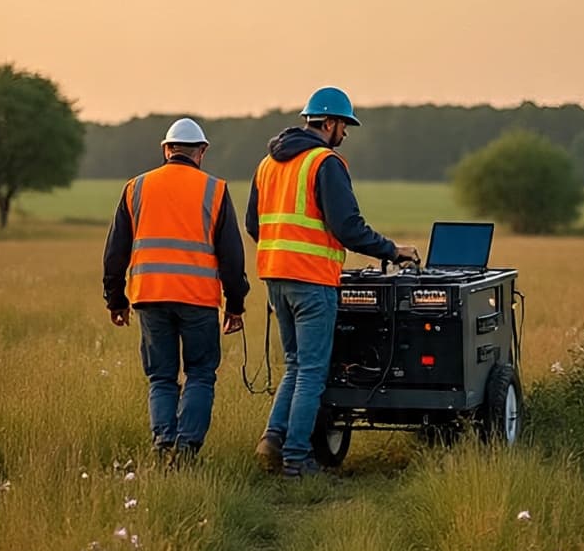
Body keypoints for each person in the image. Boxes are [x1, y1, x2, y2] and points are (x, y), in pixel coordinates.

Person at [245, 87, 420, 478]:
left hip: (274, 277)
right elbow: (347, 228)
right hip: (311, 280)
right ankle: (296, 459)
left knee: (294, 364)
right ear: (328, 123)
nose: (346, 133)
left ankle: (272, 441)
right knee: (312, 370)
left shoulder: (267, 165)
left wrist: (283, 255)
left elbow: (253, 225)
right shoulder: (325, 162)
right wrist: (392, 251)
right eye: (344, 125)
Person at [103, 118, 249, 462]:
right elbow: (231, 255)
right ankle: (187, 448)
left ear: (166, 149)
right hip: (198, 300)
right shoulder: (214, 189)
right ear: (202, 151)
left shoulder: (135, 188)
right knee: (200, 373)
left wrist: (116, 299)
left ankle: (163, 442)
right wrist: (236, 305)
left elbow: (115, 251)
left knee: (161, 377)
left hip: (149, 297)